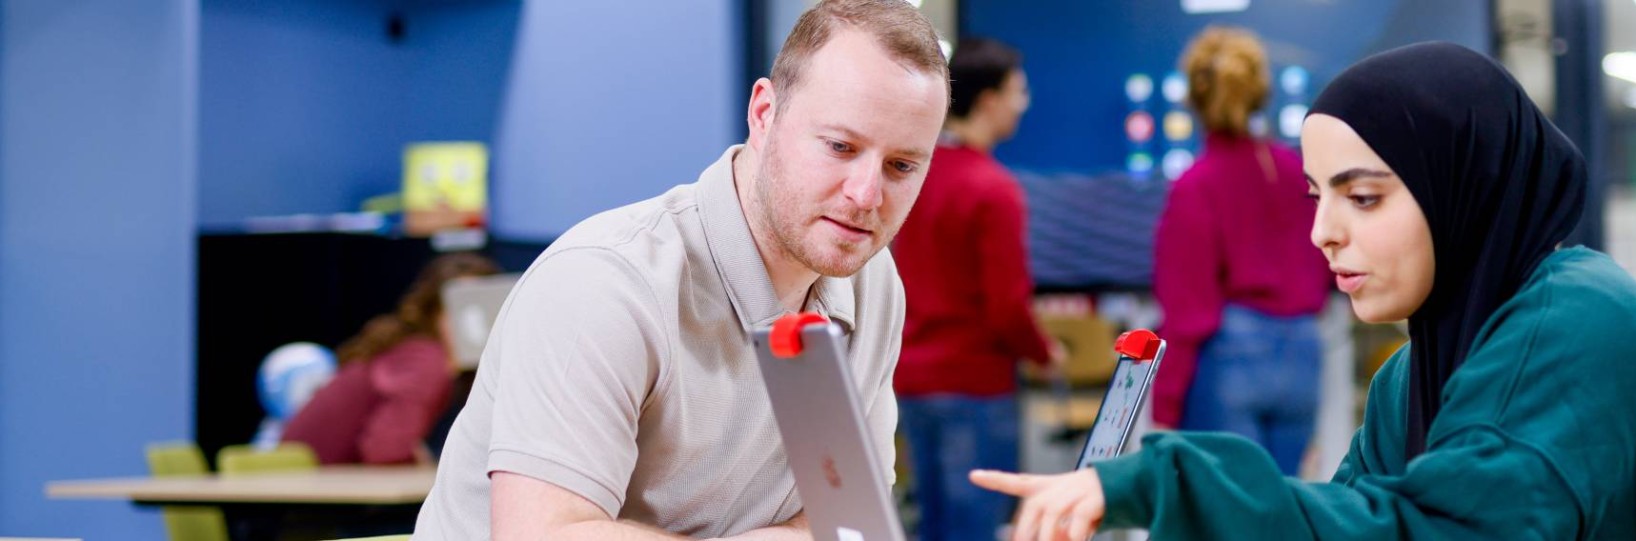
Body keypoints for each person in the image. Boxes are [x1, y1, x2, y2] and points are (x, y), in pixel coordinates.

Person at [971, 42, 1636, 541]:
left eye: (1364, 195)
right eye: (1319, 197)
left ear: (1464, 186)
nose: (1323, 233)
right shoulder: (1406, 379)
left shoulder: (1578, 318)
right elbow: (1351, 516)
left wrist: (1157, 481)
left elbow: (1435, 532)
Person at [411, 1, 950, 538]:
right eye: (839, 146)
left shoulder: (869, 281)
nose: (866, 195)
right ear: (765, 114)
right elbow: (544, 534)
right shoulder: (604, 284)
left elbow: (848, 522)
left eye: (902, 166)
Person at [892, 37, 1061, 541]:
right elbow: (1007, 306)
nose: (1024, 103)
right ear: (990, 101)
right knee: (976, 526)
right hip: (974, 384)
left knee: (930, 522)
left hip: (912, 381)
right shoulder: (994, 189)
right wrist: (1044, 353)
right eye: (1019, 91)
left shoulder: (912, 175)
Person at [1149, 26, 1331, 476]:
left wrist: (1165, 405)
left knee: (1227, 513)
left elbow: (1188, 310)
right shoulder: (1295, 172)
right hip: (1304, 354)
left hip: (1228, 359)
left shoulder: (1196, 184)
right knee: (1281, 506)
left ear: (1193, 97)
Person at [282, 253, 500, 465]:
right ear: (433, 311)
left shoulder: (430, 356)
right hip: (297, 485)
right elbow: (385, 450)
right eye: (460, 307)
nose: (474, 321)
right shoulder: (427, 361)